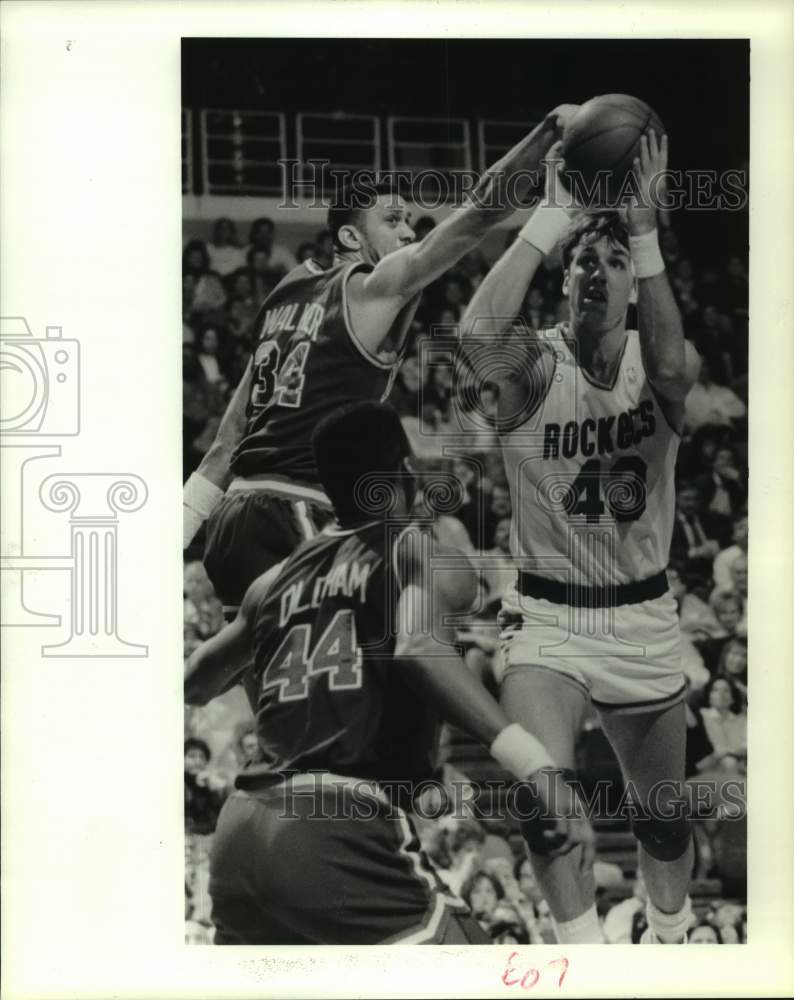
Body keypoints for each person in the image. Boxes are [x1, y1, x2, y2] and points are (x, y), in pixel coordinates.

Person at [184, 401, 593, 945]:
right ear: (404, 474)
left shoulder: (270, 583)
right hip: (339, 826)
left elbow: (195, 681)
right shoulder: (417, 551)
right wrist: (538, 768)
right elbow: (420, 647)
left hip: (239, 837)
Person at [183, 106, 580, 619]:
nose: (409, 233)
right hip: (297, 507)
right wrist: (547, 142)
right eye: (393, 221)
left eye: (410, 222)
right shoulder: (372, 288)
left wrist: (177, 536)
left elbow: (225, 442)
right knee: (410, 631)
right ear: (351, 238)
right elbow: (475, 217)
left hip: (232, 520)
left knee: (275, 682)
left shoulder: (286, 292)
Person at [460, 129, 701, 944]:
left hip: (640, 618)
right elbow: (472, 334)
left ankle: (669, 931)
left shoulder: (659, 357)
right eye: (581, 264)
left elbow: (673, 374)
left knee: (662, 821)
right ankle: (585, 963)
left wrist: (643, 229)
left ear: (637, 282)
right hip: (547, 620)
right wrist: (550, 214)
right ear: (563, 284)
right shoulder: (533, 365)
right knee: (544, 795)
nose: (593, 274)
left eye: (613, 263)